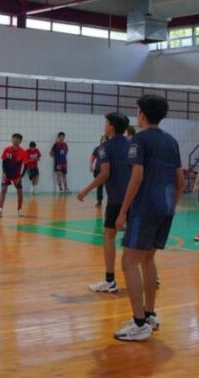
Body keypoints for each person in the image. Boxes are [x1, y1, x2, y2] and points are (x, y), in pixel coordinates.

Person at [113, 94, 181, 342]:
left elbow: (137, 177)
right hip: (165, 207)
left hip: (145, 208)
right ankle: (150, 315)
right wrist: (170, 206)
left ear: (141, 113)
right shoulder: (171, 141)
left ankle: (139, 322)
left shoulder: (138, 141)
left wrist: (123, 212)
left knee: (129, 261)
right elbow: (180, 181)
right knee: (148, 259)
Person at [76, 113, 131, 293]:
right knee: (136, 238)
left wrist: (86, 190)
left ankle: (110, 280)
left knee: (109, 237)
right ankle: (151, 275)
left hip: (116, 200)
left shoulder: (104, 147)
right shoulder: (133, 145)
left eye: (106, 123)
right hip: (134, 198)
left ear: (111, 127)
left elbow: (105, 173)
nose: (104, 125)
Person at [0, 133, 29, 217]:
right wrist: (4, 173)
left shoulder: (23, 152)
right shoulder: (7, 149)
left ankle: (19, 209)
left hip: (16, 176)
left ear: (20, 141)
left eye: (18, 139)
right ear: (12, 139)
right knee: (3, 190)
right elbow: (3, 162)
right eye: (14, 138)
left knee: (20, 192)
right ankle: (0, 210)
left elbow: (26, 165)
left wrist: (21, 176)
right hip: (7, 174)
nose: (16, 140)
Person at [89, 135, 108, 207]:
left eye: (105, 139)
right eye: (103, 139)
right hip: (98, 170)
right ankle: (99, 201)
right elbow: (93, 157)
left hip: (107, 171)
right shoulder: (97, 148)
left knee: (109, 186)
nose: (104, 140)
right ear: (101, 141)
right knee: (99, 186)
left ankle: (110, 201)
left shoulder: (109, 149)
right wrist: (91, 165)